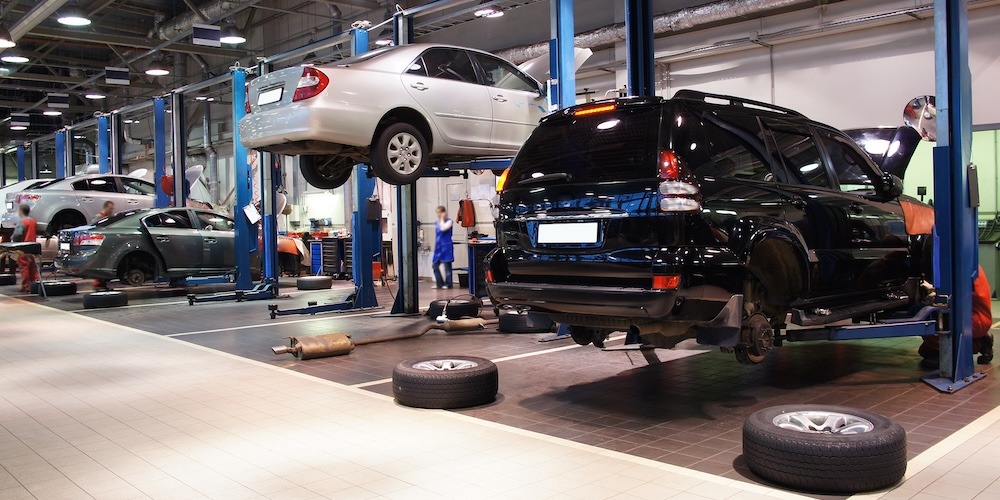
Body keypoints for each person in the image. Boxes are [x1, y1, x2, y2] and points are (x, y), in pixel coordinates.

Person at [919, 264, 994, 368]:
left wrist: (934, 290)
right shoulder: (971, 264)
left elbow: (956, 294)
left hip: (974, 320)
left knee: (932, 327)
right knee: (926, 351)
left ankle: (979, 344)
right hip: (977, 317)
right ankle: (979, 340)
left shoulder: (962, 266)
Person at [11, 204, 38, 293]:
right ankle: (34, 285)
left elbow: (17, 234)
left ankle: (25, 286)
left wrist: (14, 241)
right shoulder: (33, 221)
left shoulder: (22, 222)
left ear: (21, 211)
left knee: (24, 267)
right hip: (33, 246)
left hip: (23, 247)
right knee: (32, 267)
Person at [91, 201, 116, 289]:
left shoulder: (109, 218)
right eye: (110, 209)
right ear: (106, 208)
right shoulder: (98, 218)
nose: (112, 210)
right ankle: (98, 281)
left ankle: (102, 282)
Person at [432, 205, 454, 289]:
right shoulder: (436, 222)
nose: (438, 215)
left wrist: (442, 219)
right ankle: (439, 283)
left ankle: (448, 283)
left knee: (447, 267)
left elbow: (443, 228)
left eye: (439, 213)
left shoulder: (449, 221)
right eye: (437, 213)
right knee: (435, 265)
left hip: (446, 247)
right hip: (438, 247)